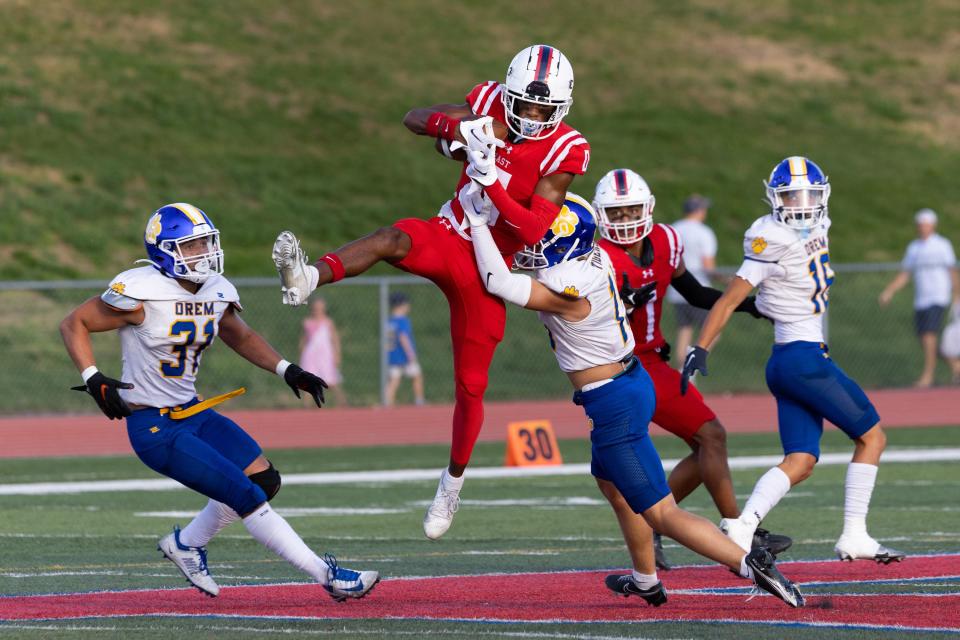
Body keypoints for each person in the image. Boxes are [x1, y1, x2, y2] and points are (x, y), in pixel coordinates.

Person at [273, 44, 590, 540]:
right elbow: (414, 117)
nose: (530, 117)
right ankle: (307, 277)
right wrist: (457, 130)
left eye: (541, 109)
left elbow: (531, 229)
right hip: (448, 233)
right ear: (507, 93)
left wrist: (493, 184)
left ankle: (452, 482)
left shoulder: (564, 148)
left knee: (471, 385)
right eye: (523, 105)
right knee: (390, 238)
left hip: (489, 267)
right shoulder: (487, 103)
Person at [463, 188, 803, 607]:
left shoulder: (567, 285)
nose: (532, 244)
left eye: (541, 238)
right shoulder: (598, 258)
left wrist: (477, 221)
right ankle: (646, 580)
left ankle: (750, 563)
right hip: (631, 381)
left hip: (612, 400)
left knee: (661, 513)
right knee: (613, 487)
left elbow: (496, 280)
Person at [60, 203, 379, 601]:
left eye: (207, 242)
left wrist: (287, 369)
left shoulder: (216, 289)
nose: (205, 252)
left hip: (194, 412)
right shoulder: (141, 290)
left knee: (264, 480)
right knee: (245, 495)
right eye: (193, 246)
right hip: (155, 427)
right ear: (166, 250)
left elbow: (237, 334)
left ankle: (187, 544)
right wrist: (93, 378)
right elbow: (75, 322)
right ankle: (328, 576)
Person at [681, 157, 905, 564]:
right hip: (803, 359)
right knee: (872, 438)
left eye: (808, 195)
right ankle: (854, 534)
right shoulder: (769, 239)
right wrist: (702, 347)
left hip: (786, 361)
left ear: (822, 196)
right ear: (774, 198)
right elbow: (731, 298)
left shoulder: (820, 224)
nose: (801, 204)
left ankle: (743, 524)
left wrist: (772, 300)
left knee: (800, 461)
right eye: (791, 196)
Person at [593, 169, 791, 572]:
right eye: (617, 212)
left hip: (653, 364)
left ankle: (671, 523)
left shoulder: (666, 239)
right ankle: (738, 531)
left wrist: (749, 306)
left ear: (647, 208)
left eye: (632, 209)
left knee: (709, 440)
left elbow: (695, 292)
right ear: (601, 216)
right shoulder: (597, 260)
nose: (626, 219)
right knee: (708, 438)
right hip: (621, 368)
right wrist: (621, 304)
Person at [879, 208, 960, 388]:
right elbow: (906, 273)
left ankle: (928, 376)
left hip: (938, 296)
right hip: (921, 298)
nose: (923, 228)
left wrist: (956, 294)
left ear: (933, 226)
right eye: (920, 225)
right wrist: (890, 290)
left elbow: (952, 270)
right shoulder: (914, 248)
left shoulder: (942, 245)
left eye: (926, 225)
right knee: (925, 337)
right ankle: (956, 366)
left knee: (929, 336)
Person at [666, 194, 718, 366]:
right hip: (698, 290)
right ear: (699, 211)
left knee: (684, 331)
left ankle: (682, 368)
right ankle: (693, 363)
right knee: (713, 331)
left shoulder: (673, 229)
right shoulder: (704, 232)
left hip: (676, 289)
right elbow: (708, 266)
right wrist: (726, 279)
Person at [300, 297, 347, 406]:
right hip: (311, 356)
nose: (318, 310)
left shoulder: (328, 322)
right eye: (316, 308)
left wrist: (337, 354)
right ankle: (306, 409)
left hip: (325, 355)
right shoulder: (307, 322)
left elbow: (335, 339)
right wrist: (302, 353)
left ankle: (343, 405)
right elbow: (303, 340)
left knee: (330, 382)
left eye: (320, 308)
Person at [384, 293, 425, 406]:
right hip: (404, 355)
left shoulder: (388, 321)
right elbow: (403, 338)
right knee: (417, 376)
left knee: (394, 380)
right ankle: (419, 400)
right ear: (401, 305)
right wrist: (411, 354)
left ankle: (387, 402)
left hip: (392, 355)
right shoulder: (402, 320)